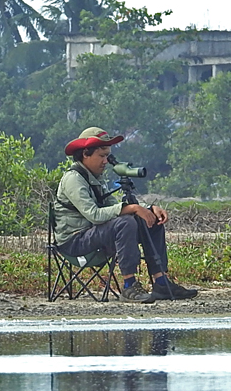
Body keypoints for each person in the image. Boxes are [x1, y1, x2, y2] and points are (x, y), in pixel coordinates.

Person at [53, 127, 198, 303]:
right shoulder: (73, 179)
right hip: (75, 242)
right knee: (126, 222)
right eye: (102, 156)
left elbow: (113, 205)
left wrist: (148, 208)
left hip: (94, 235)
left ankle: (161, 282)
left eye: (108, 156)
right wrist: (133, 209)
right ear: (85, 153)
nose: (106, 161)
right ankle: (129, 286)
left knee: (149, 220)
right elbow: (94, 215)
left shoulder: (94, 178)